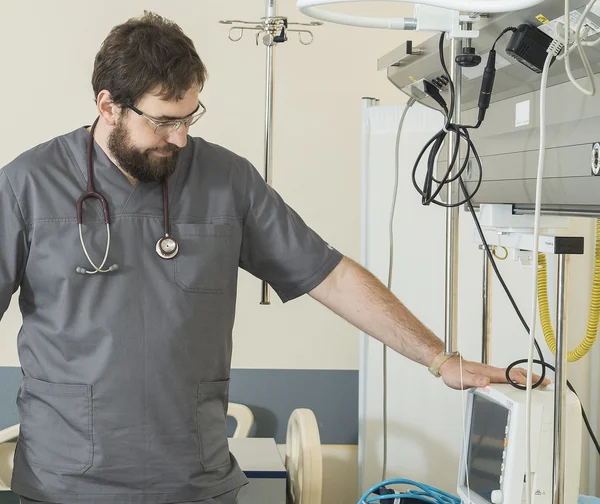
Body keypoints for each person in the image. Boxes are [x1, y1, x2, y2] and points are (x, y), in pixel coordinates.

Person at [0, 11, 546, 504]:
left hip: (194, 482)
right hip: (64, 484)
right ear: (107, 105)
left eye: (191, 116)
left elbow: (327, 274)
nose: (182, 137)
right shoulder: (27, 185)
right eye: (164, 121)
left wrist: (437, 358)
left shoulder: (226, 179)